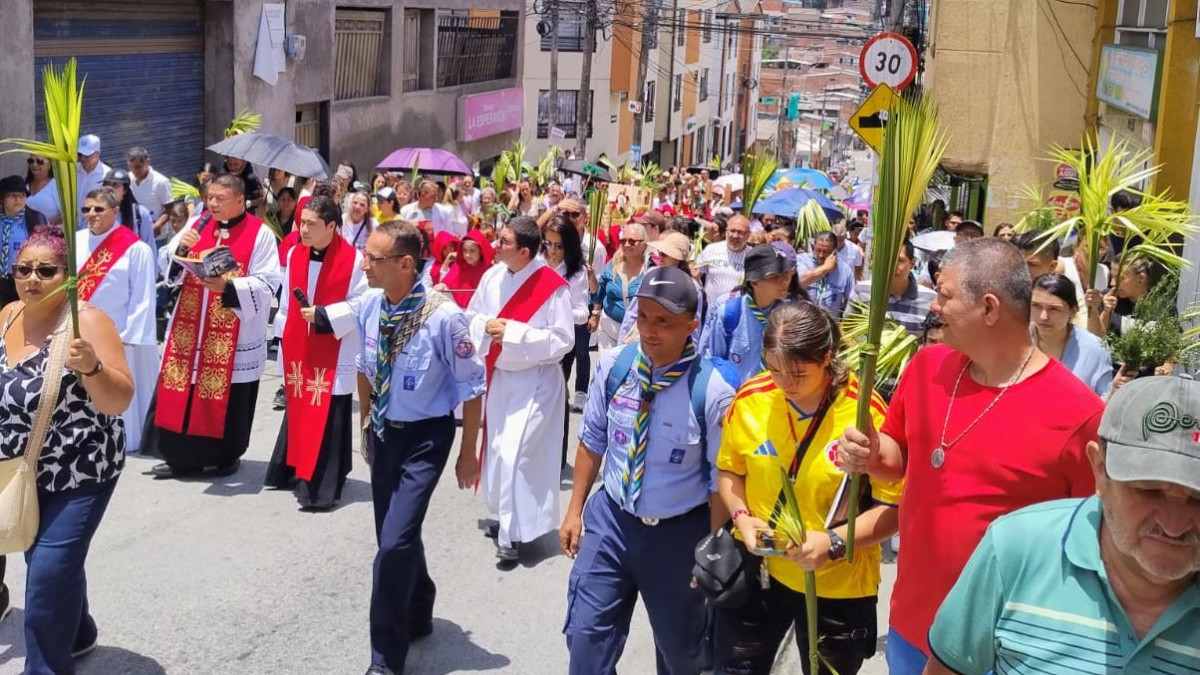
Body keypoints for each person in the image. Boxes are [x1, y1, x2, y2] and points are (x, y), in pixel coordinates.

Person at [837, 238, 1104, 675]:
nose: (934, 307)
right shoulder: (926, 368)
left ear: (990, 308)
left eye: (944, 295)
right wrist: (869, 449)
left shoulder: (1079, 416)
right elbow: (898, 457)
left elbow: (1092, 547)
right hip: (911, 628)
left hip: (1003, 648)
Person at [925, 376, 1200, 675]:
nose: (1174, 525)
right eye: (1149, 490)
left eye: (1198, 498)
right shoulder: (1016, 548)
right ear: (1099, 472)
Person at [561, 265, 737, 675]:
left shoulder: (712, 392)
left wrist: (711, 547)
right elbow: (593, 441)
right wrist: (574, 510)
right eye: (642, 317)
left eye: (664, 322)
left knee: (682, 655)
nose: (649, 330)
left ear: (692, 325)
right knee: (586, 640)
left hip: (678, 536)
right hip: (611, 523)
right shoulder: (614, 367)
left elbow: (719, 481)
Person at [716, 300, 903, 675]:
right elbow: (729, 471)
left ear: (826, 358)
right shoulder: (752, 398)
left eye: (797, 374)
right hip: (762, 575)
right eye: (774, 369)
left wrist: (832, 543)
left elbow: (893, 510)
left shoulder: (865, 412)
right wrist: (742, 517)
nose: (783, 383)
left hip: (838, 587)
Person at [0, 225, 133, 674]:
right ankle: (78, 631)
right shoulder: (7, 316)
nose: (32, 279)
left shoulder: (87, 322)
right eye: (24, 269)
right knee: (49, 562)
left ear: (69, 275)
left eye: (46, 270)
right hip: (22, 470)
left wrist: (92, 367)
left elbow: (119, 400)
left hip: (81, 471)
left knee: (46, 574)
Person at [355, 219, 485, 674]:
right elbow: (364, 366)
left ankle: (386, 657)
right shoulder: (371, 305)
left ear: (406, 264)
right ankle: (420, 599)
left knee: (392, 544)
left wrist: (469, 452)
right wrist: (365, 421)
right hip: (385, 430)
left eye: (374, 258)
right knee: (394, 533)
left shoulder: (444, 317)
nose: (365, 264)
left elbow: (472, 387)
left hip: (425, 437)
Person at [147, 173, 282, 478]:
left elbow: (269, 281)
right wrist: (181, 247)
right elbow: (170, 264)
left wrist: (228, 288)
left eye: (221, 199)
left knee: (228, 399)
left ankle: (223, 458)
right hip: (191, 327)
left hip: (231, 326)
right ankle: (178, 456)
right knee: (184, 388)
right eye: (210, 198)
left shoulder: (259, 233)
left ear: (239, 201)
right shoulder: (200, 224)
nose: (213, 204)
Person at [467, 216, 574, 562]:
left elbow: (563, 341)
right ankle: (505, 519)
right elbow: (473, 315)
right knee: (498, 451)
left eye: (504, 241)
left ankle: (513, 536)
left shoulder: (552, 286)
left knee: (518, 455)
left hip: (536, 383)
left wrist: (512, 333)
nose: (496, 245)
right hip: (501, 377)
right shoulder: (492, 276)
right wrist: (486, 326)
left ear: (525, 252)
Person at [264, 195, 367, 509]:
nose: (303, 229)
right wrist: (282, 334)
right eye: (301, 222)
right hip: (298, 344)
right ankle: (292, 467)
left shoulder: (354, 260)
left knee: (327, 412)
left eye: (311, 224)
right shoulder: (296, 252)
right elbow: (284, 302)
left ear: (332, 226)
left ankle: (320, 485)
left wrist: (324, 316)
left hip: (333, 347)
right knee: (299, 405)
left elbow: (362, 303)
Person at [75, 187, 158, 453]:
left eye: (98, 209)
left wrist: (130, 337)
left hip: (118, 332)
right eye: (86, 209)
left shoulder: (136, 249)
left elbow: (143, 297)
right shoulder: (74, 241)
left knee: (117, 387)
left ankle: (124, 441)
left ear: (114, 211)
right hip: (81, 328)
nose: (91, 214)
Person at [700, 243, 807, 384]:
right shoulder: (729, 313)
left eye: (787, 274)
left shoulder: (790, 316)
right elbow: (712, 361)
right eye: (775, 277)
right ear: (754, 281)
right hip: (738, 399)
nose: (784, 281)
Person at [543, 214, 597, 418]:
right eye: (548, 244)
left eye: (559, 246)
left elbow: (582, 314)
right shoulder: (536, 264)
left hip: (560, 346)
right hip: (534, 341)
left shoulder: (577, 272)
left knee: (554, 402)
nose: (553, 251)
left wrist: (557, 309)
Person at [1030, 273, 1113, 397]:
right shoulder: (1015, 342)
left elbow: (1104, 403)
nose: (1043, 317)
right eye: (1036, 306)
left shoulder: (1095, 349)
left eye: (1054, 309)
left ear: (1073, 311)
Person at [618, 231, 703, 345]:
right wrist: (621, 342)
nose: (660, 256)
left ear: (678, 259)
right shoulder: (651, 274)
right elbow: (633, 312)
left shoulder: (692, 287)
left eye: (665, 254)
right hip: (640, 341)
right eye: (660, 252)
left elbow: (694, 327)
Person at [851, 239, 936, 338]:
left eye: (899, 260)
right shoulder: (861, 290)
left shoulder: (931, 299)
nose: (892, 266)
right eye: (886, 260)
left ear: (912, 263)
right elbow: (846, 327)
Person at [594, 222, 647, 350]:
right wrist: (595, 313)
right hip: (608, 327)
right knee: (607, 366)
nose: (627, 245)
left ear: (644, 243)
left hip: (635, 331)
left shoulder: (650, 270)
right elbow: (600, 289)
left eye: (632, 241)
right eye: (623, 241)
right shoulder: (613, 265)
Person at [0, 175, 47, 308]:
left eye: (22, 195)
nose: (18, 199)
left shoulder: (35, 218)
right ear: (2, 199)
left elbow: (45, 247)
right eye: (12, 195)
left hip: (26, 277)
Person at [696, 214, 751, 306]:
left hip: (736, 311)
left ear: (748, 235)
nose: (735, 235)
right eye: (732, 231)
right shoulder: (711, 249)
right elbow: (697, 275)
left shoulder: (752, 256)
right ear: (726, 232)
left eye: (740, 232)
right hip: (710, 310)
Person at [798, 232, 855, 317]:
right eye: (818, 250)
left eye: (825, 252)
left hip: (830, 324)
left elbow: (851, 299)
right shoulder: (802, 260)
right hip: (803, 323)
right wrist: (826, 268)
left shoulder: (845, 271)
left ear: (834, 251)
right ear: (814, 246)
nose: (821, 255)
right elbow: (801, 281)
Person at [436, 229, 494, 309]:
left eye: (472, 251)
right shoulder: (459, 266)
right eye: (464, 250)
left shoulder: (490, 270)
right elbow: (445, 283)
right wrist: (441, 286)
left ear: (481, 251)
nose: (467, 255)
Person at [102, 169, 156, 247]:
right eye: (107, 185)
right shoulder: (96, 211)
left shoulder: (140, 213)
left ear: (125, 190)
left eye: (115, 186)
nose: (110, 189)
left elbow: (149, 245)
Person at [125, 147, 172, 223]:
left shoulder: (161, 182)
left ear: (147, 162)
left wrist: (157, 226)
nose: (134, 171)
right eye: (131, 167)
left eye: (138, 167)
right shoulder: (127, 179)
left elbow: (169, 208)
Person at [76, 134, 110, 214]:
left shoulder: (107, 175)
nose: (83, 158)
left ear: (97, 154)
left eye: (87, 155)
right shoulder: (73, 170)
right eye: (80, 154)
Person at [24, 155, 61, 226]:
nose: (34, 165)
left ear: (49, 164)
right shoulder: (24, 186)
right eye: (31, 161)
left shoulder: (57, 186)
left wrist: (48, 223)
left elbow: (71, 213)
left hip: (51, 234)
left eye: (39, 161)